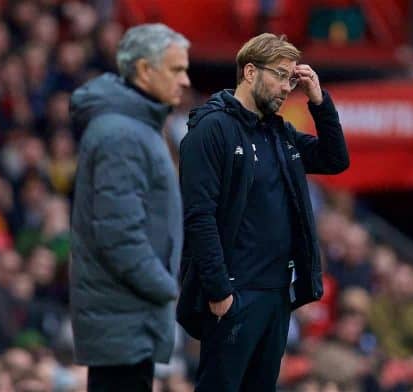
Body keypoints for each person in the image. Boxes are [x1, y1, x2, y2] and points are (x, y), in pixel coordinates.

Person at [177, 33, 350, 391]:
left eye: (291, 78)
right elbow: (199, 216)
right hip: (234, 293)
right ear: (250, 72)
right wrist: (219, 292)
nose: (288, 87)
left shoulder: (279, 133)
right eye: (281, 75)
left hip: (275, 295)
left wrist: (320, 101)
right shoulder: (211, 129)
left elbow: (335, 160)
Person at [69, 24, 190, 392]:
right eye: (176, 69)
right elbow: (118, 233)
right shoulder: (120, 133)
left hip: (129, 318)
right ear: (143, 70)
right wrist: (166, 285)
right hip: (122, 318)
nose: (185, 80)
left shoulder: (137, 125)